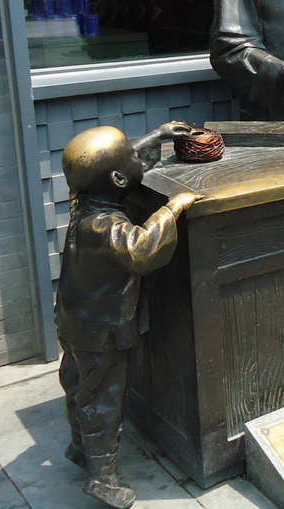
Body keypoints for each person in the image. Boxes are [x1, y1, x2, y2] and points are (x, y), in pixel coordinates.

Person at [56, 123, 201, 509]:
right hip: (101, 329)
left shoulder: (83, 200)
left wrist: (158, 135)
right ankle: (102, 479)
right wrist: (173, 208)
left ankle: (81, 446)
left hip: (74, 319)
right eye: (134, 154)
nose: (140, 155)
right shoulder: (107, 225)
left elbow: (119, 167)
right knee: (103, 397)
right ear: (118, 179)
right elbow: (142, 249)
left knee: (78, 384)